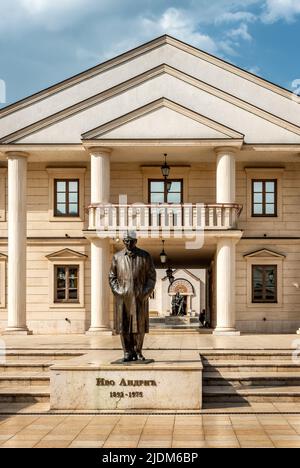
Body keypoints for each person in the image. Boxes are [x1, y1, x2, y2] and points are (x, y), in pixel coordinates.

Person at [109, 231, 156, 362]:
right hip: (123, 297)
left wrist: (144, 293)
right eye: (126, 241)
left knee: (139, 326)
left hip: (139, 296)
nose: (128, 243)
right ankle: (127, 352)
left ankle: (138, 351)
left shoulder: (145, 256)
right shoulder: (117, 257)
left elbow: (151, 277)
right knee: (123, 325)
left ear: (136, 241)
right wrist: (119, 292)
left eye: (131, 241)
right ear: (123, 241)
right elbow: (112, 277)